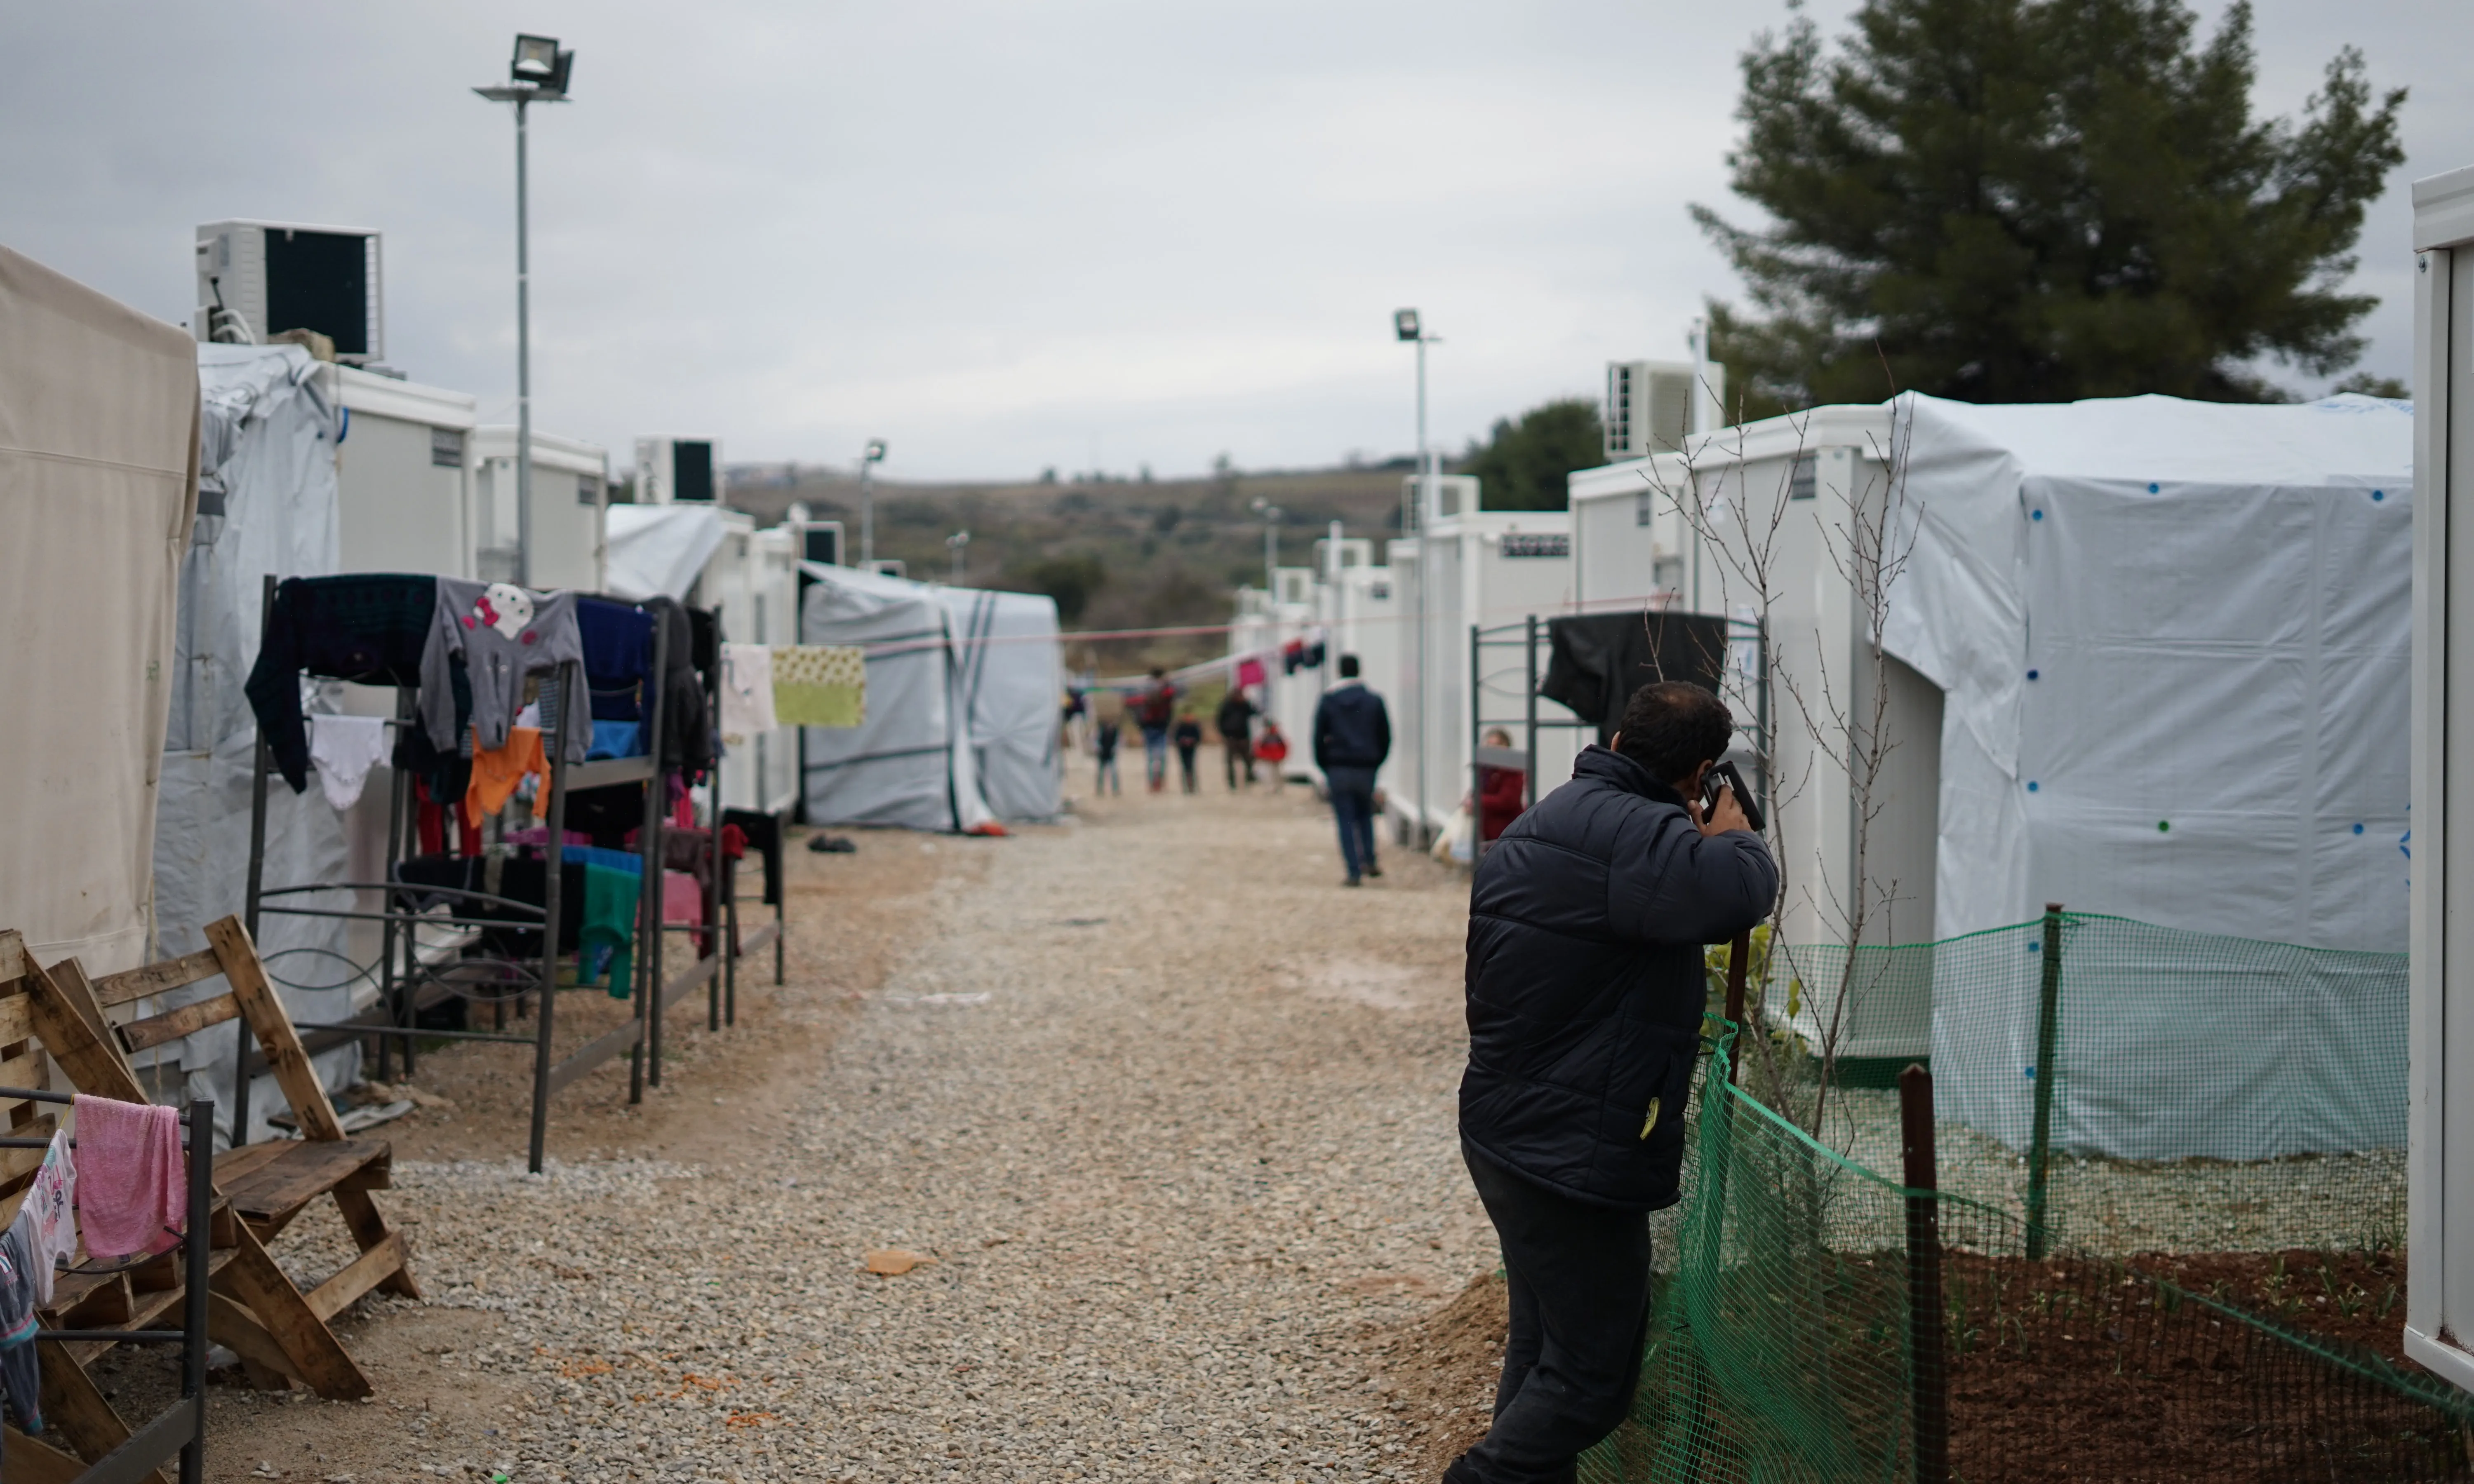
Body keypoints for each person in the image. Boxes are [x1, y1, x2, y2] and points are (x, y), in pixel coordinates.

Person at [1446, 682, 1775, 1484]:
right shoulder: (1643, 837)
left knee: (1542, 1346)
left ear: (1620, 741)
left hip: (1504, 1128)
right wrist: (1732, 836)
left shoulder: (1551, 817)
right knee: (1595, 1376)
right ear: (1703, 770)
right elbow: (1743, 893)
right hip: (1574, 1155)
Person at [1311, 654, 1392, 887]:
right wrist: (1377, 761)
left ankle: (1353, 871)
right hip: (1366, 766)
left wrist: (1325, 766)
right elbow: (1385, 736)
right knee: (1365, 814)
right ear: (1359, 670)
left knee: (1345, 819)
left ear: (1339, 671)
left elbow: (1317, 737)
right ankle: (1369, 858)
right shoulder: (1374, 700)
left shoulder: (1329, 701)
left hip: (1338, 766)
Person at [1476, 726, 1528, 845]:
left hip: (1505, 830)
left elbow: (1507, 801)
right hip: (1488, 830)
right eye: (1489, 746)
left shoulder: (1512, 771)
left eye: (1497, 745)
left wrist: (1479, 801)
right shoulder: (1485, 770)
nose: (1493, 750)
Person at [1133, 668, 1179, 793]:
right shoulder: (1147, 691)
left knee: (1161, 758)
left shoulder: (1165, 691)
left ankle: (1160, 783)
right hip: (1150, 727)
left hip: (1161, 727)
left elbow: (1171, 694)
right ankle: (1153, 784)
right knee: (1152, 759)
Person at [1216, 686, 1259, 789]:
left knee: (1248, 759)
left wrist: (1249, 702)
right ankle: (1232, 782)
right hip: (1231, 737)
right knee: (1231, 761)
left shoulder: (1244, 705)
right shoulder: (1227, 706)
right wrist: (1224, 733)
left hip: (1243, 736)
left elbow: (1254, 712)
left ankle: (1249, 777)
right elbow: (1220, 720)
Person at [1089, 686, 1125, 797]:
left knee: (1114, 772)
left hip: (1111, 752)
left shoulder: (1115, 731)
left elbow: (1120, 741)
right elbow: (1094, 740)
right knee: (1100, 773)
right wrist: (1097, 748)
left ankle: (1116, 790)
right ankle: (1100, 790)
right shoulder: (1100, 730)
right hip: (1103, 752)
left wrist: (1117, 748)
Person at [1171, 709, 1204, 794]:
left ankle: (1192, 786)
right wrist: (1183, 741)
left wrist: (1192, 741)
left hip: (1192, 749)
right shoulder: (1180, 726)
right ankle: (1187, 787)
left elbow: (1199, 738)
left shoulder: (1194, 726)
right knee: (1185, 768)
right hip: (1183, 750)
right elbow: (1176, 738)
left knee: (1191, 767)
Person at [1253, 717, 1290, 791]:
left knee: (1277, 773)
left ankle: (1277, 787)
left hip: (1276, 757)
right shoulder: (1266, 736)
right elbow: (1258, 746)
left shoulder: (1275, 735)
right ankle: (1272, 788)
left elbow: (1284, 746)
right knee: (1270, 774)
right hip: (1269, 758)